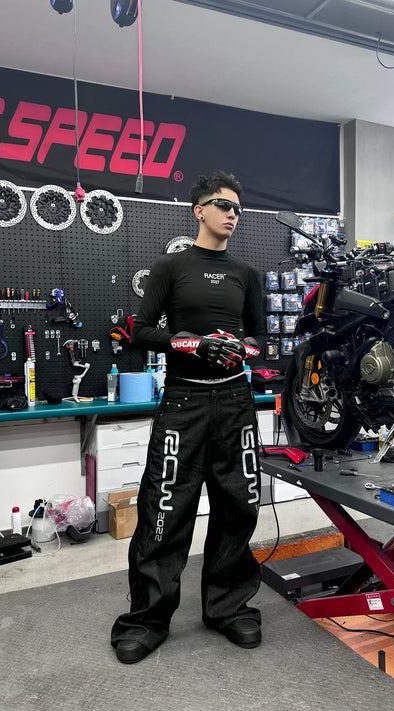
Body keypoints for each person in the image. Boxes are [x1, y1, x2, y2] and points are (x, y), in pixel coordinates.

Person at [111, 170, 266, 664]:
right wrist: (193, 344)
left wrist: (240, 349)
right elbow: (138, 331)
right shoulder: (171, 267)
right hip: (184, 402)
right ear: (199, 210)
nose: (232, 214)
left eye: (238, 208)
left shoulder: (247, 274)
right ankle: (147, 618)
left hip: (235, 402)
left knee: (238, 507)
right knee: (165, 510)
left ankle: (228, 607)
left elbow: (261, 339)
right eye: (223, 205)